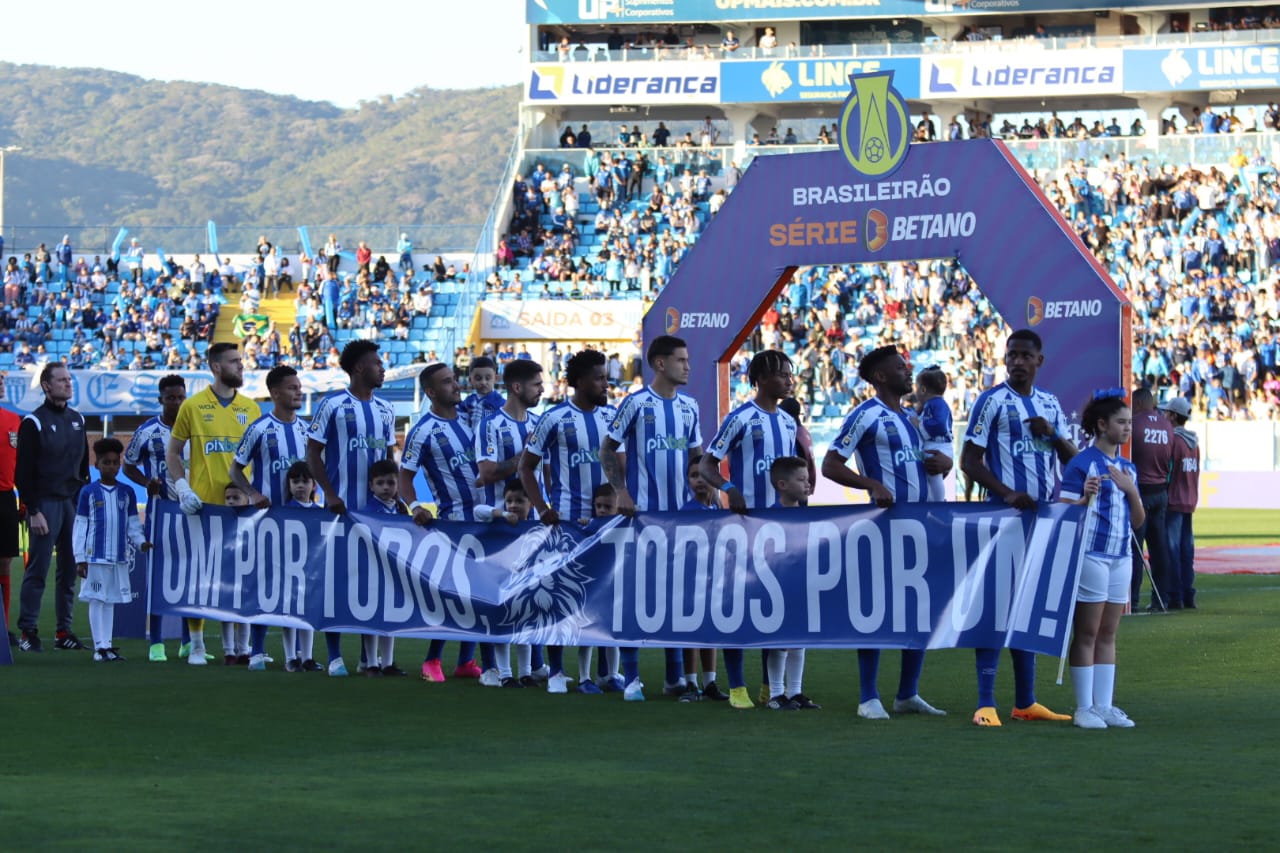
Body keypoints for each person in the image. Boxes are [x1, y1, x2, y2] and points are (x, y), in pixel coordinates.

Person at [821, 345, 948, 720]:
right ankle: (868, 697)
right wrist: (871, 484)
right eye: (899, 367)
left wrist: (944, 463)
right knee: (877, 610)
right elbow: (830, 464)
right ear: (880, 377)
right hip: (885, 527)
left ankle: (907, 693)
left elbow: (923, 465)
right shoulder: (865, 415)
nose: (908, 372)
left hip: (920, 525)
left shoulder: (911, 418)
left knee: (919, 608)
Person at [960, 329, 1075, 726]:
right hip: (1002, 518)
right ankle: (985, 702)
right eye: (1012, 355)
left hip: (1040, 520)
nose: (1017, 362)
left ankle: (1025, 701)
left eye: (1026, 355)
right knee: (995, 609)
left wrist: (1054, 434)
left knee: (1026, 609)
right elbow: (970, 461)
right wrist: (1007, 493)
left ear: (1040, 361)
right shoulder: (991, 402)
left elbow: (1072, 460)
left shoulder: (1050, 404)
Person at [601, 334, 702, 702]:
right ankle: (632, 679)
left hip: (680, 520)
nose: (688, 365)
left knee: (676, 599)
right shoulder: (636, 404)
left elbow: (697, 458)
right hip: (641, 519)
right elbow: (607, 449)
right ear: (660, 364)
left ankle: (675, 679)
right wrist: (621, 491)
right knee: (637, 597)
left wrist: (708, 492)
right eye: (681, 359)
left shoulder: (690, 407)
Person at [697, 350, 799, 709]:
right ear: (762, 379)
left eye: (791, 373)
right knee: (741, 608)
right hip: (745, 527)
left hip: (782, 528)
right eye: (784, 374)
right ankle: (737, 687)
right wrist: (728, 490)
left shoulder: (788, 423)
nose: (790, 379)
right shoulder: (740, 418)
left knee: (777, 609)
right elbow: (708, 464)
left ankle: (770, 688)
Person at [519, 349, 616, 695]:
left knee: (605, 599)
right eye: (599, 378)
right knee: (563, 599)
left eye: (606, 377)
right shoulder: (555, 418)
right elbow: (525, 467)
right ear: (578, 382)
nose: (606, 383)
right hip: (567, 523)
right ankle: (558, 672)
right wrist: (542, 507)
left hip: (607, 523)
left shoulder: (612, 417)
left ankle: (606, 673)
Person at [306, 340, 395, 677]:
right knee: (337, 584)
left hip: (376, 514)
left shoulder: (386, 410)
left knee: (373, 586)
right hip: (340, 511)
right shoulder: (332, 405)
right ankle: (334, 656)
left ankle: (368, 659)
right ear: (359, 368)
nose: (382, 368)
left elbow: (388, 459)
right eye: (376, 362)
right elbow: (312, 452)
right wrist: (328, 493)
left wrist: (394, 499)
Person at [167, 343, 260, 667]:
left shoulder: (251, 408)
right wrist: (182, 487)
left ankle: (241, 647)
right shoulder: (192, 406)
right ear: (217, 367)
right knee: (202, 579)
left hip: (242, 509)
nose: (242, 366)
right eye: (235, 362)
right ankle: (195, 646)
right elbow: (172, 452)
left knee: (243, 579)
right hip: (204, 506)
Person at [1060, 391, 1144, 730]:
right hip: (1091, 554)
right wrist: (1084, 498)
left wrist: (1132, 491)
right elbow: (1064, 513)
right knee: (1088, 632)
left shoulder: (1128, 468)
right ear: (1101, 425)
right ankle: (1084, 707)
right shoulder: (1081, 463)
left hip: (1121, 556)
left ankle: (1104, 705)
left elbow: (1138, 520)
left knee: (1109, 632)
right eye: (1121, 423)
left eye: (1129, 423)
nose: (1127, 429)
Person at [400, 363, 484, 683]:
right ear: (432, 392)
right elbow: (404, 477)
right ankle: (432, 659)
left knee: (479, 592)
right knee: (452, 594)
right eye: (448, 382)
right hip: (453, 523)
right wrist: (414, 506)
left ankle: (466, 661)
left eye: (455, 379)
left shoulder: (471, 420)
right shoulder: (423, 431)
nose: (456, 385)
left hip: (483, 520)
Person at [229, 365, 311, 672]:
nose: (298, 392)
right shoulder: (260, 428)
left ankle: (300, 655)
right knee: (266, 586)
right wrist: (251, 493)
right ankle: (257, 651)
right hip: (268, 521)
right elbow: (235, 469)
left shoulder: (306, 430)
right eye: (292, 388)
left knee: (298, 587)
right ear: (275, 393)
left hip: (301, 523)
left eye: (299, 387)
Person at [474, 359, 545, 687]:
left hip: (533, 525)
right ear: (517, 387)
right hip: (500, 526)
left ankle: (529, 669)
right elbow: (487, 473)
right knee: (499, 600)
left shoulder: (540, 422)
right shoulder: (490, 425)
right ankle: (497, 670)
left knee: (531, 600)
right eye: (536, 385)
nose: (542, 390)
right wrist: (526, 457)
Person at [16, 364, 91, 653]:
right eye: (61, 380)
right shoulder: (33, 422)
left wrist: (82, 503)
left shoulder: (78, 419)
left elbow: (84, 468)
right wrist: (33, 510)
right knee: (38, 568)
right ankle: (28, 631)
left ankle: (64, 632)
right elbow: (23, 473)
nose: (67, 384)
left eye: (69, 379)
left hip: (72, 503)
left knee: (69, 570)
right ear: (46, 386)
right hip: (45, 505)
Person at [122, 374, 188, 662]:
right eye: (171, 397)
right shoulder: (148, 430)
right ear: (161, 399)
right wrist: (147, 481)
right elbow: (128, 465)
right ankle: (157, 642)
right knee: (159, 576)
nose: (176, 402)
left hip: (189, 511)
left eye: (180, 397)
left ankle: (189, 641)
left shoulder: (195, 429)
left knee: (191, 577)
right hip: (159, 511)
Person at [73, 438, 151, 662]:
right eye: (106, 462)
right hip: (94, 557)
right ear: (96, 464)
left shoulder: (127, 492)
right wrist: (80, 558)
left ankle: (107, 645)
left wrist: (141, 542)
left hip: (118, 557)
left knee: (110, 601)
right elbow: (81, 526)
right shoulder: (88, 492)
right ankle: (98, 647)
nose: (111, 467)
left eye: (115, 463)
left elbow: (133, 524)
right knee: (97, 600)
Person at [678, 457, 726, 700]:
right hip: (692, 580)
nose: (699, 480)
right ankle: (690, 682)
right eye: (693, 476)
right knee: (692, 631)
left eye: (703, 475)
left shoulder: (717, 509)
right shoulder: (688, 512)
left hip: (714, 579)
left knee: (711, 631)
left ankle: (710, 682)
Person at [1129, 388, 1176, 611]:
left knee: (1135, 550)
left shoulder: (1133, 424)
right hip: (1161, 493)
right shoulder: (1166, 425)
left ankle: (1132, 601)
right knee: (1159, 548)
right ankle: (1161, 600)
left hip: (1140, 493)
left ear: (1137, 403)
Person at [282, 460, 322, 671]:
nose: (300, 486)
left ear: (314, 485)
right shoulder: (284, 511)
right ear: (288, 485)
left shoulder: (320, 511)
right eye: (295, 481)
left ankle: (307, 657)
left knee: (308, 614)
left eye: (305, 481)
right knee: (289, 615)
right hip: (289, 571)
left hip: (311, 571)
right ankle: (291, 657)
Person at [1161, 397, 1200, 610]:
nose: (1164, 416)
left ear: (1173, 416)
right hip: (1189, 500)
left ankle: (1174, 596)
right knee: (1187, 550)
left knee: (1172, 550)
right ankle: (1188, 594)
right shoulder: (1194, 443)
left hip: (1174, 501)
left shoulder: (1173, 440)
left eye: (1167, 413)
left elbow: (1167, 472)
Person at [0, 397, 22, 647]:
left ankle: (3, 628)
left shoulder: (13, 419)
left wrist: (23, 499)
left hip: (5, 498)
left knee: (4, 563)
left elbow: (19, 463)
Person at [915, 366, 953, 501]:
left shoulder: (937, 403)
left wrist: (919, 424)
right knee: (930, 478)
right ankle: (935, 501)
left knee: (933, 475)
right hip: (936, 445)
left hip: (939, 446)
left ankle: (938, 503)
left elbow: (940, 425)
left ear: (923, 389)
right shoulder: (930, 404)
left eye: (917, 387)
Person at [458, 356, 504, 436]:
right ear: (470, 380)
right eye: (478, 378)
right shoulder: (468, 401)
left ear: (496, 379)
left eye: (488, 378)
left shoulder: (500, 403)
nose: (483, 382)